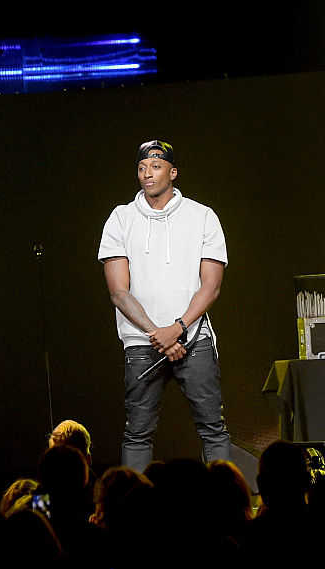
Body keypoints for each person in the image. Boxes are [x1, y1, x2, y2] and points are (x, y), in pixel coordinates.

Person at [98, 139, 231, 471]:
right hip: (142, 342)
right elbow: (118, 291)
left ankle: (227, 509)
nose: (147, 174)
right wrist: (157, 333)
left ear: (173, 172)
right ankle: (131, 512)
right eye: (142, 168)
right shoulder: (120, 218)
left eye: (156, 167)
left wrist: (178, 328)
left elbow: (211, 286)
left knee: (213, 429)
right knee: (137, 433)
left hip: (194, 340)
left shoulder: (202, 216)